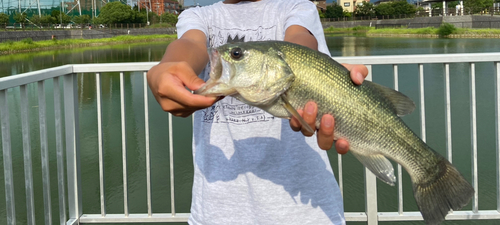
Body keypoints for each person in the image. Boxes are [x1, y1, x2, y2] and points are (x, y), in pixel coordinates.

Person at [147, 0, 368, 224]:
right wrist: (170, 66)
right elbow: (190, 44)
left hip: (309, 213)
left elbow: (300, 40)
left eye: (235, 55)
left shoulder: (297, 6)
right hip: (217, 213)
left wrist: (320, 77)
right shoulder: (198, 16)